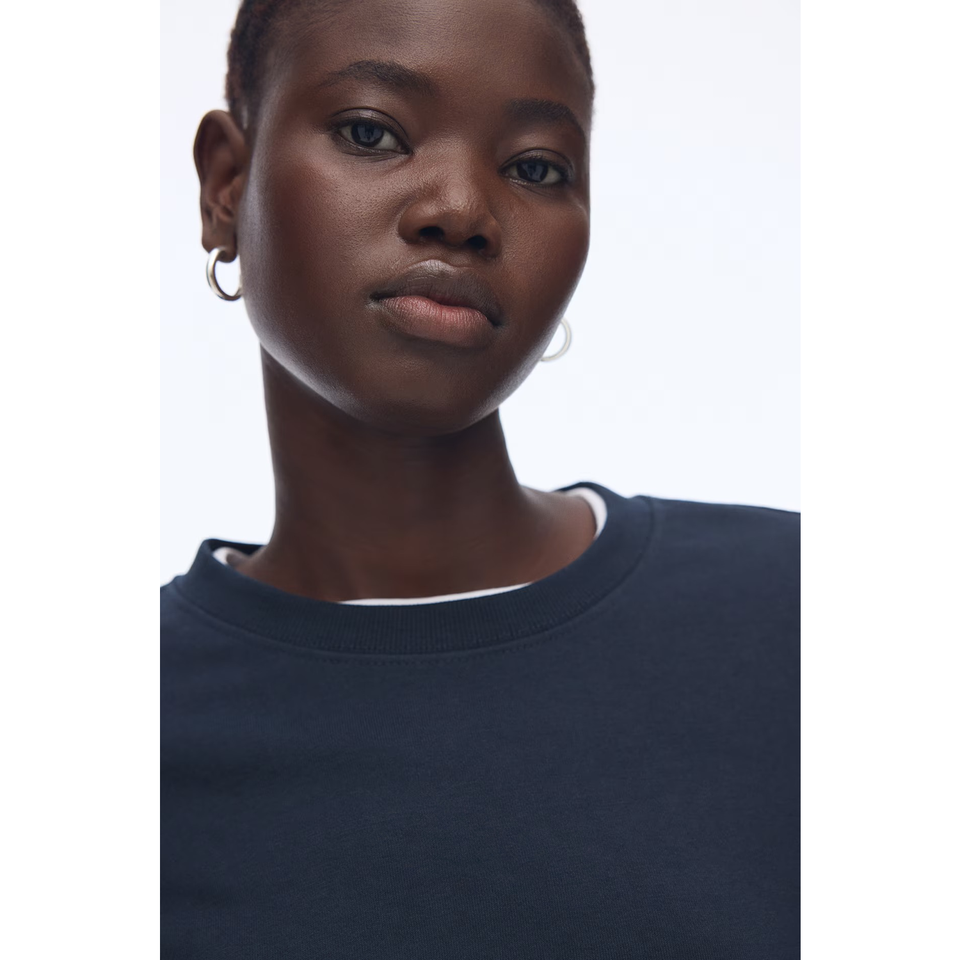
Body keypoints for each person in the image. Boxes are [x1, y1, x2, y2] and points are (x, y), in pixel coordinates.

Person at [160, 0, 799, 956]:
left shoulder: (802, 616)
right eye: (371, 132)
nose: (460, 209)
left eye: (535, 168)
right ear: (226, 185)